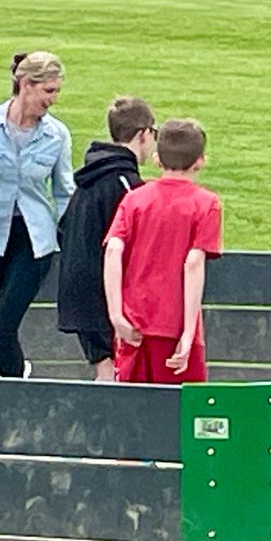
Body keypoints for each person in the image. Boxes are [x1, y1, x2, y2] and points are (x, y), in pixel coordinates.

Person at [0, 51, 75, 378]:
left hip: (33, 243)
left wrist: (71, 236)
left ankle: (12, 390)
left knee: (6, 321)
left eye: (56, 91)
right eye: (49, 91)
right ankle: (17, 371)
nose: (53, 99)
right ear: (25, 85)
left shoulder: (57, 135)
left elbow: (64, 191)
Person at [103, 119, 222, 384]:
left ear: (157, 159)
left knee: (132, 413)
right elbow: (193, 264)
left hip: (133, 325)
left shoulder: (134, 198)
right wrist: (189, 333)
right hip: (174, 325)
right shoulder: (206, 204)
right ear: (200, 161)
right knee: (181, 414)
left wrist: (116, 316)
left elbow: (113, 250)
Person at [57, 96, 157, 381]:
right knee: (117, 374)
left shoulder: (89, 180)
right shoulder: (126, 185)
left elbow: (63, 229)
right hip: (104, 296)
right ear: (143, 134)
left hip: (77, 292)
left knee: (105, 371)